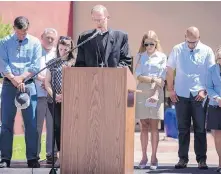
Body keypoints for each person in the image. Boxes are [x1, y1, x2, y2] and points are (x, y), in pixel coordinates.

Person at [166, 26, 215, 169]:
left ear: (199, 38)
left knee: (200, 129)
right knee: (182, 128)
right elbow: (169, 69)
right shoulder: (177, 49)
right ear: (185, 37)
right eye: (190, 41)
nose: (192, 44)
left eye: (195, 41)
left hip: (199, 95)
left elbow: (211, 73)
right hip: (181, 94)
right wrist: (170, 90)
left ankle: (201, 160)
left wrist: (205, 91)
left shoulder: (207, 50)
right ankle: (182, 159)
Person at [0, 16, 42, 168]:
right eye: (19, 33)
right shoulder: (4, 42)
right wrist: (14, 79)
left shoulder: (35, 42)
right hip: (9, 85)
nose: (22, 36)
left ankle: (32, 158)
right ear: (14, 28)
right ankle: (5, 158)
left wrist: (22, 78)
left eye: (24, 33)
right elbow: (3, 64)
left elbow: (36, 65)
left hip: (28, 85)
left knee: (31, 123)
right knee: (6, 123)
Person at [135, 31, 167, 170]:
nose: (148, 46)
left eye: (151, 43)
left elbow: (163, 78)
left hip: (156, 91)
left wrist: (156, 90)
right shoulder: (139, 56)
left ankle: (154, 157)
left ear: (156, 43)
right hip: (142, 91)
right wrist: (153, 79)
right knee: (143, 125)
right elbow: (138, 75)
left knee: (154, 126)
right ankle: (144, 156)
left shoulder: (162, 56)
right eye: (146, 43)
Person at [45, 36, 76, 168]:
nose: (63, 51)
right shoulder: (52, 62)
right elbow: (47, 82)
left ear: (70, 48)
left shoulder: (74, 63)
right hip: (54, 101)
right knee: (58, 128)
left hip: (70, 100)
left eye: (66, 48)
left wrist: (66, 95)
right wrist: (55, 95)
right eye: (61, 48)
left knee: (71, 128)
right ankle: (60, 157)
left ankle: (73, 155)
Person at [35, 28, 58, 163]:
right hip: (37, 94)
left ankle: (51, 154)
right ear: (41, 37)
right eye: (47, 37)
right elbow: (31, 69)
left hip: (51, 95)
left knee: (51, 125)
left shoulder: (57, 53)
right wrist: (42, 80)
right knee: (36, 126)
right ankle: (35, 155)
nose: (50, 40)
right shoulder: (36, 51)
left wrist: (49, 82)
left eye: (52, 38)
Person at [206, 47, 221, 173]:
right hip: (216, 106)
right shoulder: (211, 70)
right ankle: (220, 162)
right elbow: (209, 88)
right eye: (219, 58)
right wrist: (217, 98)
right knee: (218, 135)